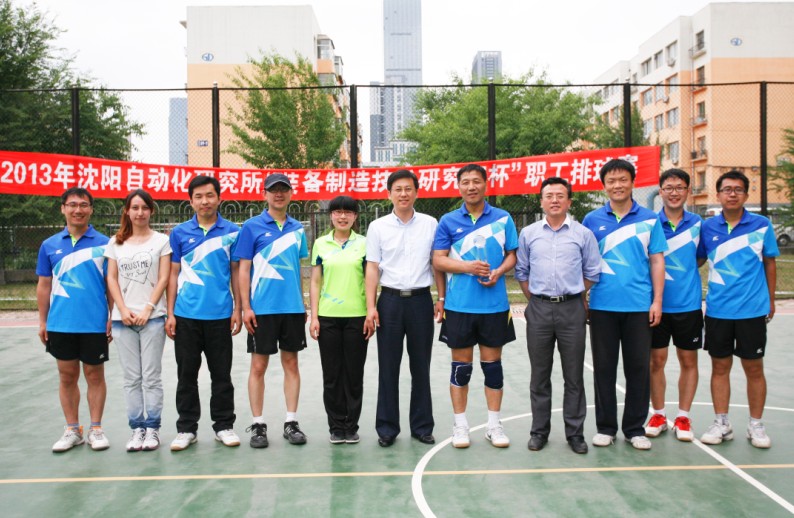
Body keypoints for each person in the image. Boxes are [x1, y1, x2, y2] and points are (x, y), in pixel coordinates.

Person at [582, 158, 667, 451]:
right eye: (611, 181)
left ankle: (634, 429)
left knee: (638, 369)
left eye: (623, 180)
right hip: (602, 307)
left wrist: (657, 301)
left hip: (639, 306)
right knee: (604, 369)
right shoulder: (591, 220)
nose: (617, 185)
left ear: (632, 183)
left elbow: (657, 260)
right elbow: (583, 262)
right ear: (604, 186)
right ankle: (606, 428)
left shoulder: (650, 219)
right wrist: (583, 298)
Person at [432, 163, 518, 449]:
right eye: (466, 182)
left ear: (485, 184)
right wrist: (468, 267)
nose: (471, 186)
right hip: (459, 307)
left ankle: (494, 425)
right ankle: (460, 426)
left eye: (476, 181)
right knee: (461, 369)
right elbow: (438, 260)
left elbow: (512, 255)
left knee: (493, 368)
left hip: (494, 307)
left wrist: (498, 272)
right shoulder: (448, 221)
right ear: (459, 187)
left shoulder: (503, 218)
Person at [515, 177, 600, 455]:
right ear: (541, 201)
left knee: (573, 375)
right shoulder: (529, 233)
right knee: (539, 375)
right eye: (549, 195)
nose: (554, 200)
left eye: (560, 195)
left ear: (569, 201)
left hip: (572, 309)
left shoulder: (582, 234)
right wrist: (536, 300)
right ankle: (539, 432)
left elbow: (592, 272)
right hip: (538, 308)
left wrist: (573, 294)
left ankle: (575, 433)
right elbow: (522, 271)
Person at [697, 170, 778, 449]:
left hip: (752, 310)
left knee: (753, 368)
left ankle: (756, 424)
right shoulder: (707, 227)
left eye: (738, 189)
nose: (732, 194)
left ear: (746, 194)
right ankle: (722, 422)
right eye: (727, 189)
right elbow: (696, 260)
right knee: (720, 367)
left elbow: (769, 263)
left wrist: (770, 299)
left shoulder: (762, 225)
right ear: (718, 194)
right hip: (718, 310)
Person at [365, 170, 444, 447]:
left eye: (408, 189)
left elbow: (437, 263)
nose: (403, 194)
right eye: (398, 189)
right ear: (389, 194)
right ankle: (387, 428)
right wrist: (371, 306)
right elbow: (372, 268)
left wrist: (441, 298)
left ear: (416, 193)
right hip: (390, 302)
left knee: (421, 366)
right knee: (388, 366)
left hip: (421, 301)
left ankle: (422, 426)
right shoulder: (378, 227)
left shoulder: (430, 224)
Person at [166, 175, 242, 451]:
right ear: (191, 201)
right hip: (186, 316)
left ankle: (224, 426)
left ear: (219, 198)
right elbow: (172, 274)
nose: (204, 201)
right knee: (187, 375)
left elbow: (236, 272)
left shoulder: (232, 232)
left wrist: (238, 308)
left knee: (221, 375)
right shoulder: (179, 233)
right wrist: (170, 313)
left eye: (210, 195)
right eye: (198, 196)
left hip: (220, 316)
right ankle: (186, 428)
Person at [234, 173, 309, 449]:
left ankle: (291, 422)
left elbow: (298, 268)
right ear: (264, 194)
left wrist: (302, 304)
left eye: (283, 189)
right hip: (262, 310)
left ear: (291, 194)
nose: (279, 194)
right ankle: (258, 425)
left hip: (292, 309)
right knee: (258, 366)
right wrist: (246, 307)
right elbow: (243, 270)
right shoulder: (251, 227)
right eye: (273, 190)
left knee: (291, 364)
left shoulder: (297, 229)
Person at [37, 187, 111, 452]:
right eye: (72, 205)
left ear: (91, 209)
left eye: (83, 205)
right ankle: (72, 429)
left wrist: (111, 316)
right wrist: (43, 321)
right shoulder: (49, 245)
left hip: (94, 323)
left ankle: (96, 429)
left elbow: (111, 284)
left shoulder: (105, 244)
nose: (78, 210)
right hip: (61, 323)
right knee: (67, 376)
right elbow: (44, 285)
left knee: (94, 374)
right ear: (63, 208)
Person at [105, 189, 171, 452]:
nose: (140, 213)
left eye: (144, 208)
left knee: (151, 377)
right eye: (135, 208)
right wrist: (122, 309)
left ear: (151, 211)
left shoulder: (161, 241)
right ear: (127, 211)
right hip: (123, 321)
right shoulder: (115, 242)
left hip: (152, 319)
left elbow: (164, 278)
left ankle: (153, 428)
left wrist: (148, 308)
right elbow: (111, 278)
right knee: (131, 378)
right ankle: (137, 429)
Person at [644, 169, 703, 443]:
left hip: (688, 306)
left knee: (688, 360)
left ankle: (683, 416)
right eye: (668, 187)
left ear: (688, 190)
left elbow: (700, 258)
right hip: (656, 306)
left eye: (680, 187)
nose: (674, 192)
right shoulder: (650, 223)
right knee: (656, 361)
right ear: (660, 192)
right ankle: (658, 414)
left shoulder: (699, 224)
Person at [310, 196, 372, 444]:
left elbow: (370, 280)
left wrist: (370, 311)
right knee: (332, 375)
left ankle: (351, 426)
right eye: (337, 212)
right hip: (328, 318)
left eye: (348, 212)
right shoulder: (320, 244)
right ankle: (336, 427)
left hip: (357, 317)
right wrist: (314, 317)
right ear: (331, 216)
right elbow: (315, 281)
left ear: (355, 217)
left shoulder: (365, 244)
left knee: (354, 375)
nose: (342, 216)